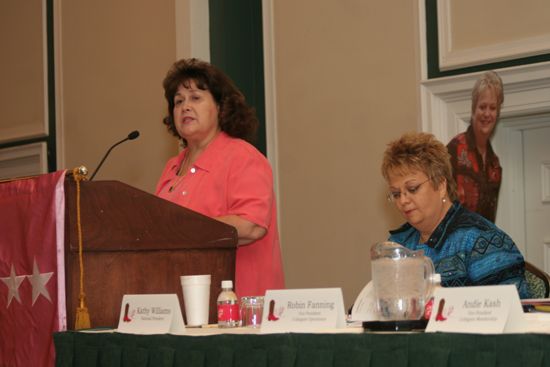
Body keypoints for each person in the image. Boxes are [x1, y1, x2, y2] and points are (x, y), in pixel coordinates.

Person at [155, 58, 284, 297]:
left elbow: (250, 226)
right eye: (178, 101)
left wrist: (183, 228)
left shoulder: (242, 157)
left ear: (220, 107)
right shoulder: (171, 168)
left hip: (241, 306)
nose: (185, 107)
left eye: (195, 97)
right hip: (181, 299)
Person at [381, 132, 530, 298]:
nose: (403, 200)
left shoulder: (482, 240)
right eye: (395, 194)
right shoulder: (398, 244)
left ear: (441, 185)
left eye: (413, 189)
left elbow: (515, 311)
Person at [447, 71, 504, 222]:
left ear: (497, 114)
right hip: (455, 242)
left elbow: (490, 220)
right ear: (473, 110)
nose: (487, 114)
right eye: (482, 107)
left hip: (482, 243)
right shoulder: (454, 149)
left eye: (492, 108)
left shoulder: (495, 165)